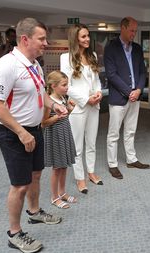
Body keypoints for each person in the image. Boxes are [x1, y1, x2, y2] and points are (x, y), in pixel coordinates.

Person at [0, 17, 68, 253]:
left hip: (34, 130)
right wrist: (22, 133)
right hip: (14, 133)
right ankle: (14, 233)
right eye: (41, 38)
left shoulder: (35, 64)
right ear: (25, 39)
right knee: (20, 185)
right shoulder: (7, 65)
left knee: (35, 176)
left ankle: (34, 213)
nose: (46, 43)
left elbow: (40, 93)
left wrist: (54, 106)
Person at [104, 17, 150, 179]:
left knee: (130, 130)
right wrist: (128, 91)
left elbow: (142, 72)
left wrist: (138, 89)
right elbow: (111, 74)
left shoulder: (137, 48)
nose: (134, 34)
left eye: (135, 31)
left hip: (135, 97)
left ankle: (131, 159)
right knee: (113, 133)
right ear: (122, 28)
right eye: (131, 30)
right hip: (119, 98)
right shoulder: (111, 48)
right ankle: (112, 164)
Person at [60, 24, 103, 194]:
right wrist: (86, 99)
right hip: (78, 106)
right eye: (83, 36)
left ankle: (91, 172)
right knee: (77, 145)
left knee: (91, 142)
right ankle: (80, 178)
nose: (87, 39)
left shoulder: (92, 55)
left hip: (95, 105)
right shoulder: (66, 58)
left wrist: (99, 92)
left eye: (88, 36)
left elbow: (97, 79)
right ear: (75, 38)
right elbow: (66, 86)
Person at [42, 71, 77, 209]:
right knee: (57, 168)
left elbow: (65, 115)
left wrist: (70, 108)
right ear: (53, 86)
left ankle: (62, 193)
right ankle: (54, 197)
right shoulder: (49, 102)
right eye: (64, 85)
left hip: (64, 133)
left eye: (67, 84)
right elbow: (43, 123)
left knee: (64, 166)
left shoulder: (63, 98)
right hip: (55, 136)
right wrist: (56, 117)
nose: (67, 87)